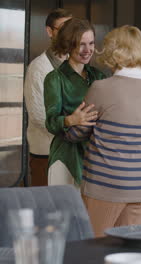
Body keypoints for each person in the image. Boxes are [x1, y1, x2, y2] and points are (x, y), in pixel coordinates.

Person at [64, 25, 141, 237]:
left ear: (113, 51)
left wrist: (69, 121)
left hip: (107, 186)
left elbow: (76, 133)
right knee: (124, 252)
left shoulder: (102, 88)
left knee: (93, 248)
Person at [44, 18, 106, 187]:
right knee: (63, 213)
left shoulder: (98, 76)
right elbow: (50, 122)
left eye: (91, 43)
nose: (88, 50)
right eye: (81, 44)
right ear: (68, 45)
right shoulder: (55, 78)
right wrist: (71, 120)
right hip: (66, 157)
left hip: (94, 156)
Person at [24, 8, 72, 186]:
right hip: (46, 153)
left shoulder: (76, 64)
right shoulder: (38, 68)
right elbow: (39, 117)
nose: (68, 34)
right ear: (49, 31)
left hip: (71, 152)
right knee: (45, 209)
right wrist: (72, 127)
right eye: (62, 28)